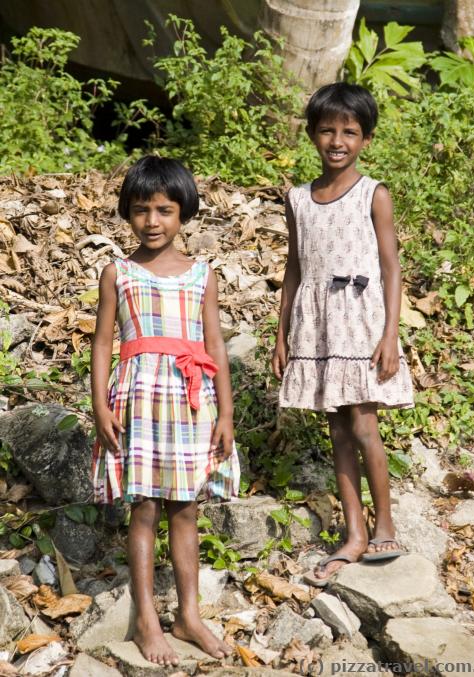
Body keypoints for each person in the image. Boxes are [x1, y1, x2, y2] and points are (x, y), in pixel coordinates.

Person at [91, 155, 239, 665]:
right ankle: (147, 617)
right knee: (145, 506)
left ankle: (189, 614)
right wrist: (99, 406)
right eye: (140, 210)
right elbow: (103, 343)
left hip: (189, 400)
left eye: (163, 210)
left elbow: (215, 345)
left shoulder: (203, 276)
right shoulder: (119, 273)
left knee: (186, 507)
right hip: (137, 399)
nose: (151, 222)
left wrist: (225, 413)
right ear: (126, 214)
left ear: (184, 213)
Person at [272, 83, 414, 586]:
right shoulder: (297, 198)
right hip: (317, 324)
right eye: (327, 130)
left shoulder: (374, 194)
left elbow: (391, 267)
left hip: (360, 320)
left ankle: (386, 523)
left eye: (349, 132)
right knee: (336, 426)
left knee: (363, 423)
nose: (337, 140)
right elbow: (294, 267)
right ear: (312, 134)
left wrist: (390, 333)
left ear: (365, 139)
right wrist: (282, 332)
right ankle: (354, 533)